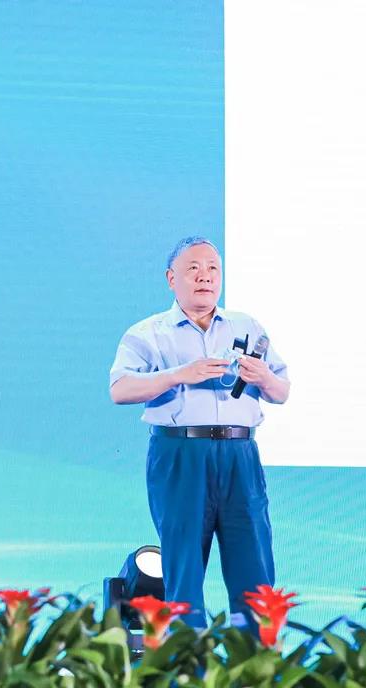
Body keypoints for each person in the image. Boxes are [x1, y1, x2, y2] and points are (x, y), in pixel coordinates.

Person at [109, 236, 290, 628]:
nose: (205, 277)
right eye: (193, 269)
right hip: (181, 454)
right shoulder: (148, 332)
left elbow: (281, 392)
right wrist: (179, 374)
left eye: (213, 269)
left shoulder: (247, 326)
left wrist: (262, 376)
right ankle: (187, 657)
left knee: (255, 566)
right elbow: (120, 390)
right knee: (184, 569)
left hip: (240, 454)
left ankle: (254, 656)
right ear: (171, 278)